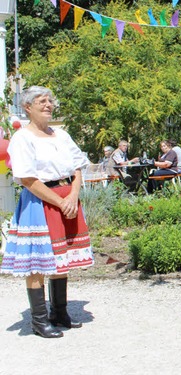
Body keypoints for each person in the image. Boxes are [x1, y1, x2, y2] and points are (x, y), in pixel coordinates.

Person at [0, 86, 94, 338]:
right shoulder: (22, 138)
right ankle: (39, 321)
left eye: (50, 101)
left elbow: (77, 166)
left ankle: (59, 312)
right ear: (28, 107)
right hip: (40, 202)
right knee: (38, 261)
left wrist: (73, 196)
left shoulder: (61, 135)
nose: (48, 105)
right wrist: (59, 200)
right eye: (41, 101)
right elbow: (28, 178)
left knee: (62, 257)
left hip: (67, 198)